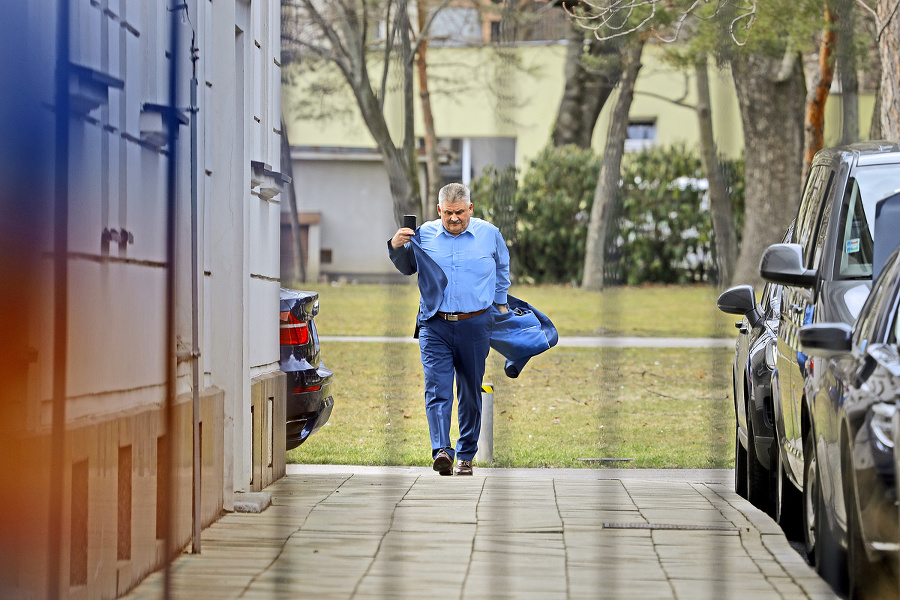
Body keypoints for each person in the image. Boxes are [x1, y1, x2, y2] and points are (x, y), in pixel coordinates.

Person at [387, 183, 510, 476]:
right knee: (437, 389)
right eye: (448, 213)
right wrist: (395, 246)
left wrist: (501, 304)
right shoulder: (426, 234)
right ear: (439, 210)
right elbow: (407, 268)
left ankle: (466, 455)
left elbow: (502, 269)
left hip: (476, 323)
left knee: (470, 391)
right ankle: (442, 451)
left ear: (470, 209)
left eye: (460, 213)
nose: (454, 219)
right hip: (434, 324)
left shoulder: (490, 234)